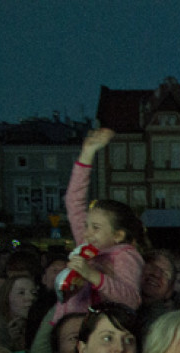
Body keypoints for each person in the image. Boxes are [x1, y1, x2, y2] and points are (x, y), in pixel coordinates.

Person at [56, 128, 144, 324]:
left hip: (100, 329)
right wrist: (87, 153)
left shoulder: (125, 257)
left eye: (96, 228)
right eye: (87, 226)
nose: (87, 233)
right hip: (68, 323)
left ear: (118, 235)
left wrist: (92, 275)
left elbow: (131, 300)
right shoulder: (86, 247)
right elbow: (74, 201)